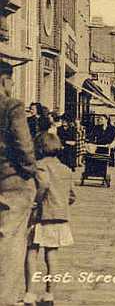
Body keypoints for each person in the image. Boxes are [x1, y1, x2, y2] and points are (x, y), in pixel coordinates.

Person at [0, 61, 48, 305]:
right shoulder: (12, 106)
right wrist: (31, 172)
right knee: (10, 244)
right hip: (10, 183)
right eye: (11, 82)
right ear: (3, 81)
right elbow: (23, 146)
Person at [23, 132, 76, 306]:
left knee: (31, 252)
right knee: (52, 255)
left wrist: (35, 201)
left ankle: (30, 293)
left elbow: (43, 184)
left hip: (41, 215)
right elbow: (72, 196)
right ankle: (49, 294)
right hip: (59, 216)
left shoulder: (39, 167)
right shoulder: (66, 169)